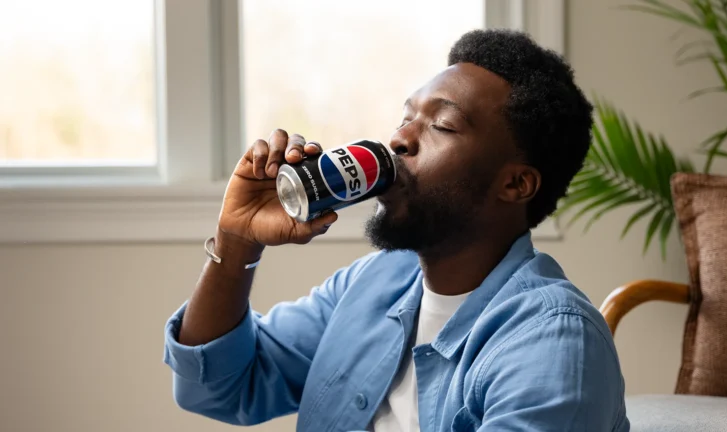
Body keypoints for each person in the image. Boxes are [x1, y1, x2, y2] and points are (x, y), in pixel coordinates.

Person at [163, 29, 630, 431]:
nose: (399, 139)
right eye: (407, 118)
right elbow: (217, 387)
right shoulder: (372, 284)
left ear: (515, 183)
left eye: (442, 125)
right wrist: (237, 241)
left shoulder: (552, 344)